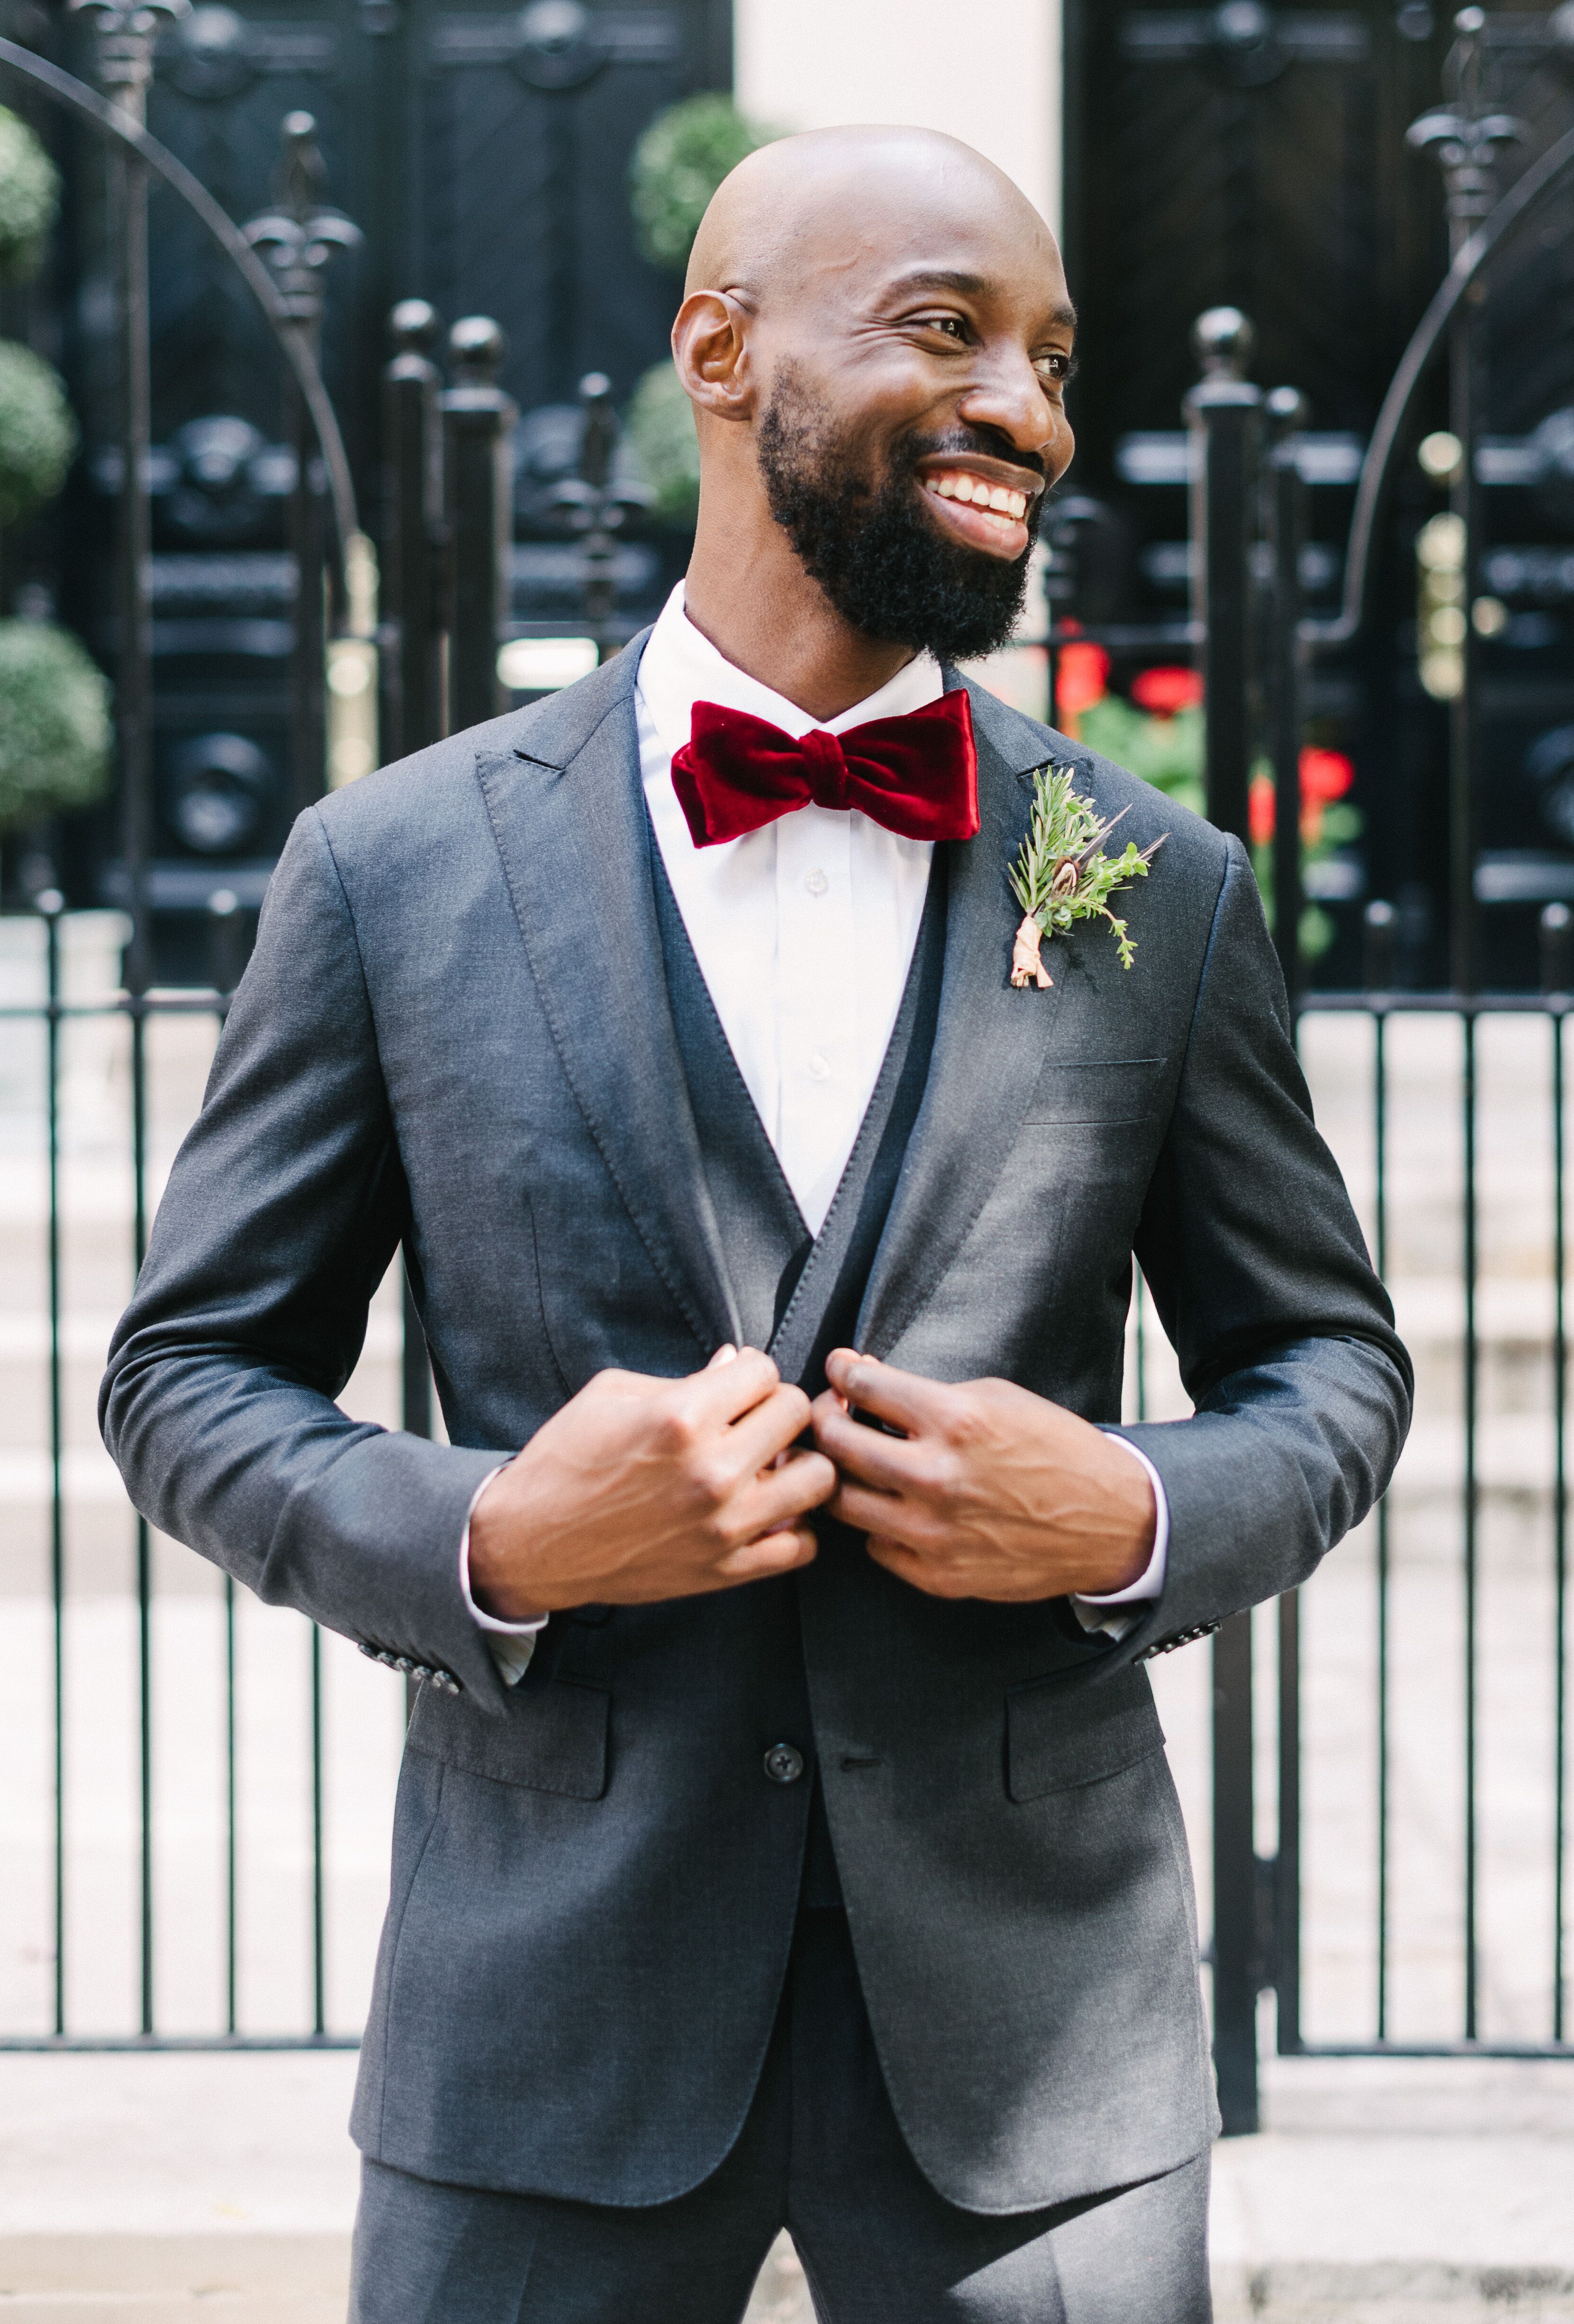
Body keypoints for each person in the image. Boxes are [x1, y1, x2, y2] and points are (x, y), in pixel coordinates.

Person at [102, 125, 1410, 2323]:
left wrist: (1129, 1507)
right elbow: (186, 1374)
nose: (1028, 409)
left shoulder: (1153, 884)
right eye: (945, 329)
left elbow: (1331, 1370)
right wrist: (490, 1539)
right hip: (549, 2030)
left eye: (1054, 359)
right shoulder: (393, 870)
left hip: (1034, 2059)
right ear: (721, 349)